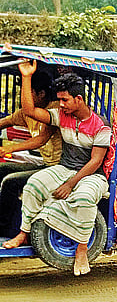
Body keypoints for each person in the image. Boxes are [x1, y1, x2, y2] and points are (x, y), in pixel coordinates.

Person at [2, 61, 111, 277]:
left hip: (92, 175)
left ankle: (82, 248)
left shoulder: (100, 125)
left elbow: (95, 162)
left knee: (84, 197)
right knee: (33, 184)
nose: (60, 104)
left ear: (78, 99)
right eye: (59, 99)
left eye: (64, 100)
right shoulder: (62, 116)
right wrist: (26, 77)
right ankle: (24, 233)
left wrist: (70, 185)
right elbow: (29, 111)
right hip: (65, 169)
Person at [0, 68, 62, 238]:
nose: (23, 98)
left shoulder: (54, 111)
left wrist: (9, 148)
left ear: (41, 94)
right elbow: (5, 122)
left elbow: (40, 139)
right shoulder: (27, 113)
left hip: (58, 169)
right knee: (2, 169)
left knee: (10, 182)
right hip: (44, 165)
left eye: (28, 92)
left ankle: (4, 229)